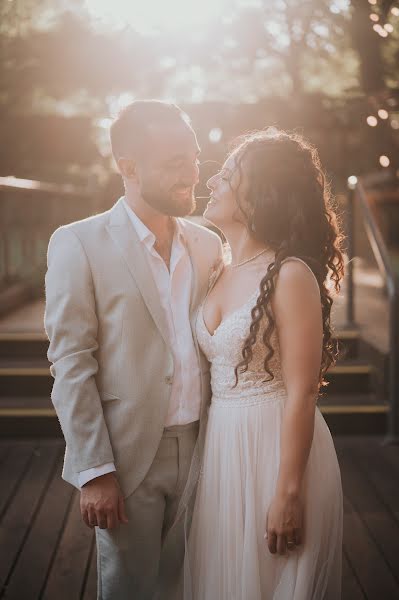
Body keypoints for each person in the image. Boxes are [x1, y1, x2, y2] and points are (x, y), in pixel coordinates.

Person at [44, 100, 223, 600]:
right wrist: (94, 469)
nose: (192, 172)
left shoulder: (209, 245)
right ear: (128, 168)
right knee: (130, 590)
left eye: (193, 156)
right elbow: (71, 361)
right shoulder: (78, 243)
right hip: (125, 457)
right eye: (174, 162)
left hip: (209, 448)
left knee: (194, 586)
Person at [185, 128, 344, 599]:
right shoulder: (218, 271)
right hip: (222, 446)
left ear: (262, 190)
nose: (211, 182)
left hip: (275, 450)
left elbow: (303, 390)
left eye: (227, 175)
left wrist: (288, 492)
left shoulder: (290, 273)